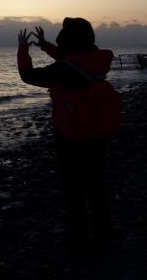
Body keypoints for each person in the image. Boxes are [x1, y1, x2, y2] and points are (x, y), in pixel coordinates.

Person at [16, 17, 115, 252]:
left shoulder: (65, 69)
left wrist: (23, 49)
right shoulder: (97, 60)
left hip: (70, 134)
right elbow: (71, 60)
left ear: (67, 40)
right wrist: (45, 44)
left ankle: (80, 241)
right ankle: (104, 232)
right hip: (97, 130)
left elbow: (28, 76)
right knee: (95, 185)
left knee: (73, 189)